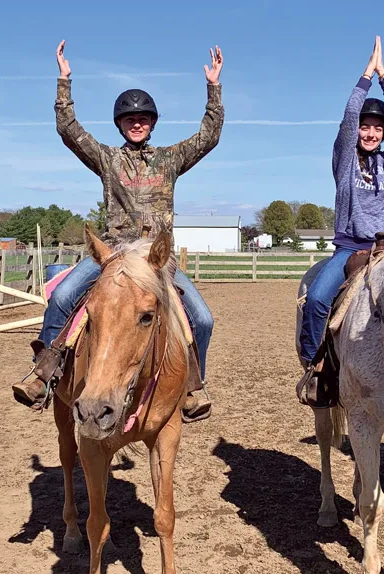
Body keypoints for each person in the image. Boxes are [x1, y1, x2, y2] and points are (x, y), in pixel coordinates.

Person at [11, 41, 224, 422]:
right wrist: (65, 81)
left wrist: (213, 88)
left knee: (203, 319)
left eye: (143, 118)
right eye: (129, 119)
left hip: (156, 264)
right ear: (120, 125)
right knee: (62, 296)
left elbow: (208, 136)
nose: (137, 123)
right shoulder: (108, 159)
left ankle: (193, 386)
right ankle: (44, 374)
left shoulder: (170, 158)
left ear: (153, 123)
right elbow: (69, 131)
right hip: (112, 254)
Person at [297, 36, 384, 406]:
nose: (371, 133)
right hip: (351, 247)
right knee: (315, 299)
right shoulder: (345, 161)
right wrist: (365, 77)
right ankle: (316, 368)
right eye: (366, 126)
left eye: (378, 128)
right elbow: (347, 119)